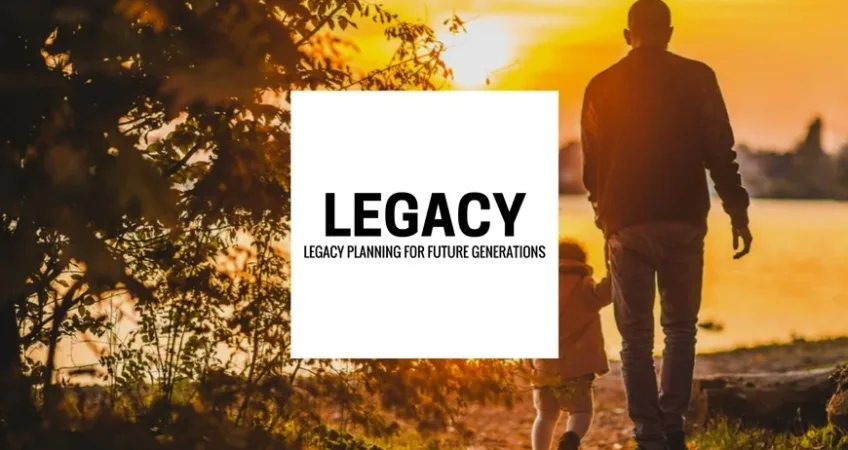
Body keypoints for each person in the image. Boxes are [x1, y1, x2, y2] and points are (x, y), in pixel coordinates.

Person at [580, 1, 753, 449]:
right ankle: (672, 423)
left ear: (627, 34)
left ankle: (648, 433)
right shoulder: (698, 77)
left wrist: (603, 213)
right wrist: (737, 207)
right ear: (670, 32)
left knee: (635, 337)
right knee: (680, 327)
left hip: (626, 222)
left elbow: (592, 162)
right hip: (682, 217)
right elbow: (720, 149)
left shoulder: (601, 85)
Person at [531, 239, 612, 450]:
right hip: (578, 365)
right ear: (581, 262)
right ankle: (570, 440)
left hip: (544, 365)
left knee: (545, 415)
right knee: (581, 411)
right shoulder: (585, 284)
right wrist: (614, 265)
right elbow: (607, 293)